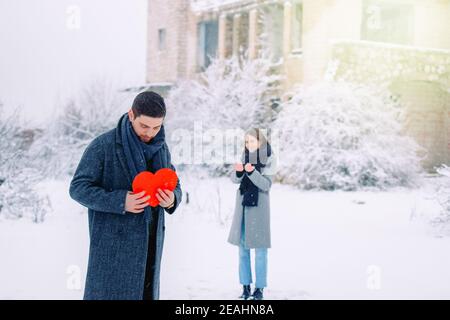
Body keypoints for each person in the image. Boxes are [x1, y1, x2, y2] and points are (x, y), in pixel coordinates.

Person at [69, 91, 182, 300]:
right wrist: (121, 201)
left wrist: (172, 198)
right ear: (131, 115)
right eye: (144, 126)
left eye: (157, 127)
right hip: (113, 249)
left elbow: (174, 181)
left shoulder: (162, 148)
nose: (150, 133)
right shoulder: (103, 146)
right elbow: (78, 188)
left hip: (150, 248)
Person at [228, 128, 276, 300]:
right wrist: (240, 171)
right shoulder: (245, 156)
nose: (249, 145)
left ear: (260, 141)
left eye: (252, 142)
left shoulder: (270, 158)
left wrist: (251, 172)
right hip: (242, 206)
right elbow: (234, 179)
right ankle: (245, 286)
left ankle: (259, 289)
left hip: (259, 207)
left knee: (261, 250)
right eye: (246, 142)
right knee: (242, 249)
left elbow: (266, 184)